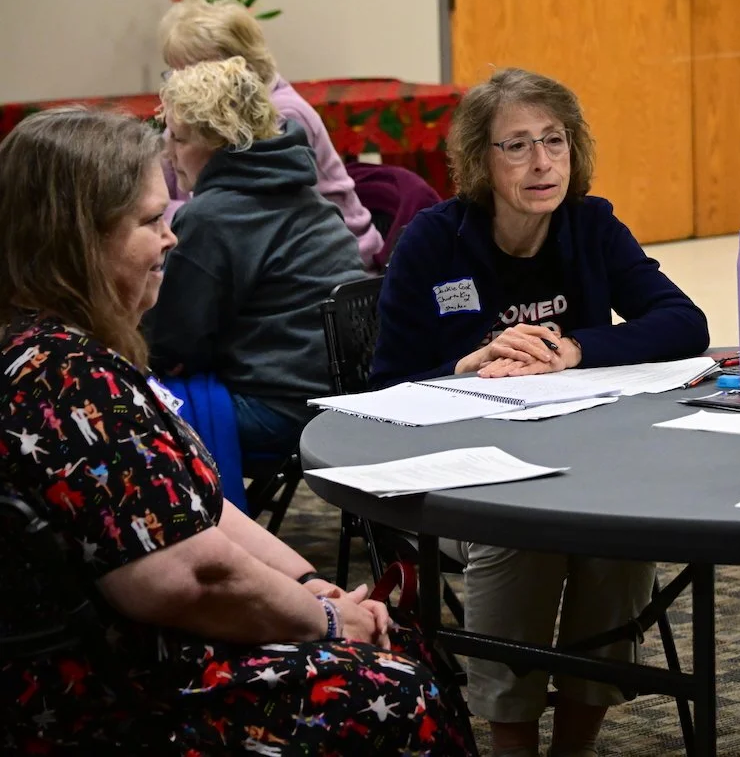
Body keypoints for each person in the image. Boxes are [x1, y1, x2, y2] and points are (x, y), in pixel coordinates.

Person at [0, 107, 474, 754]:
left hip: (125, 652)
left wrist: (310, 587)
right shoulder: (69, 377)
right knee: (394, 689)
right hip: (113, 693)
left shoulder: (56, 351)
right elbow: (188, 576)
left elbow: (194, 509)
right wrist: (331, 619)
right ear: (78, 239)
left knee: (402, 642)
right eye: (149, 222)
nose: (171, 238)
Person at [372, 68, 710, 756]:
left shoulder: (590, 225)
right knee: (521, 534)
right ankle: (511, 741)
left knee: (619, 534)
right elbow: (387, 387)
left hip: (584, 460)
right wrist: (464, 364)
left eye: (554, 141)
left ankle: (576, 746)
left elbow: (684, 322)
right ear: (479, 161)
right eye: (516, 146)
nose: (541, 163)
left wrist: (576, 348)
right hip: (467, 474)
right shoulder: (434, 242)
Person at [145, 57, 366, 456]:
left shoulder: (210, 217)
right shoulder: (306, 195)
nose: (169, 153)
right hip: (342, 400)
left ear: (218, 142)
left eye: (179, 139)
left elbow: (173, 345)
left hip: (275, 410)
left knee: (130, 411)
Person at [158, 0, 384, 268]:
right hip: (250, 251)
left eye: (190, 71)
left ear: (234, 65)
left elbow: (252, 219)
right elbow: (157, 200)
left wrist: (180, 220)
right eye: (173, 72)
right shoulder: (192, 116)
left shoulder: (278, 115)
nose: (179, 82)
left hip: (332, 261)